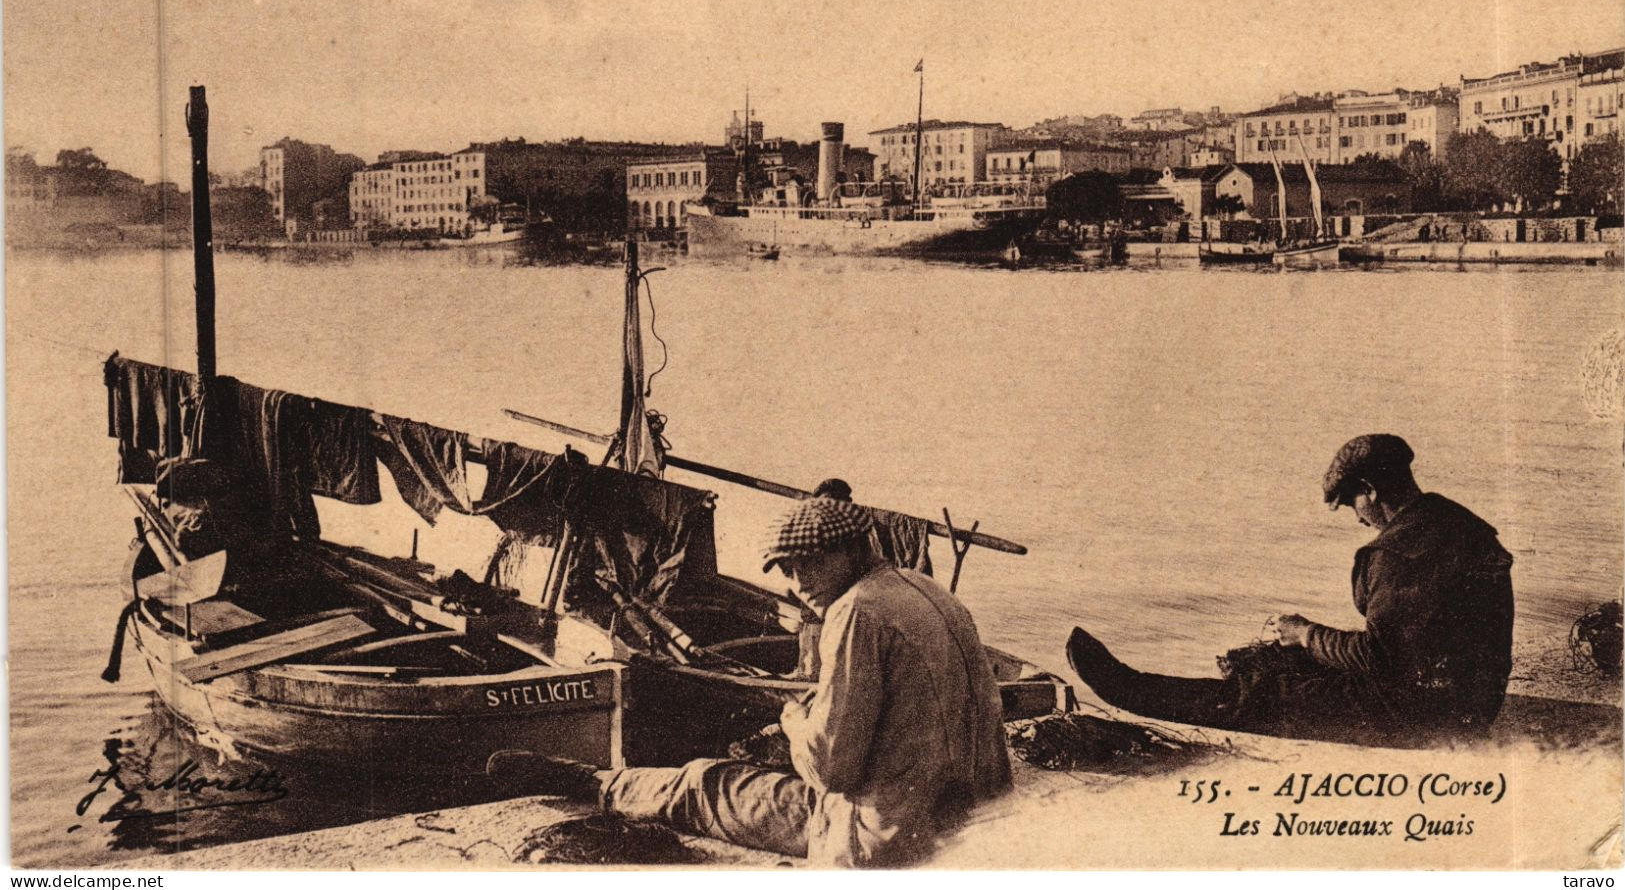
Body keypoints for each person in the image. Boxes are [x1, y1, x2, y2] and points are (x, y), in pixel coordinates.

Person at [489, 495, 1012, 867]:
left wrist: (794, 722)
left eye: (808, 564)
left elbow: (833, 769)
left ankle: (592, 784)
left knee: (706, 783)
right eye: (787, 570)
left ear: (852, 549)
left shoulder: (856, 614)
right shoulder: (930, 592)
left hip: (886, 837)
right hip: (961, 812)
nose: (797, 583)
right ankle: (599, 783)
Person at [1066, 434, 1514, 747]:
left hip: (1428, 719)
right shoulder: (1461, 525)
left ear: (1371, 491)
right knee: (1290, 666)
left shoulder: (1397, 553)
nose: (1356, 518)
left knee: (1261, 694)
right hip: (1474, 701)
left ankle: (1126, 688)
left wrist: (1306, 634)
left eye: (1351, 505)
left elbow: (1380, 659)